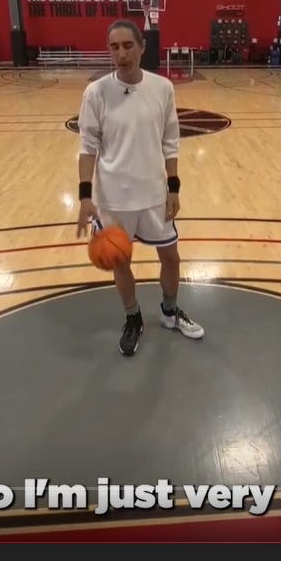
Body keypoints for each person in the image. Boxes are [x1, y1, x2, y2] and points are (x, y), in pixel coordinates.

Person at [75, 19, 205, 356]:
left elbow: (170, 141)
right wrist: (85, 196)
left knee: (171, 258)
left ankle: (170, 311)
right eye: (114, 47)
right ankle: (133, 318)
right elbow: (87, 147)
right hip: (114, 198)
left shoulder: (162, 88)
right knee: (120, 261)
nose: (121, 53)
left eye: (127, 45)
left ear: (142, 47)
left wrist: (174, 188)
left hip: (153, 194)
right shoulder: (96, 92)